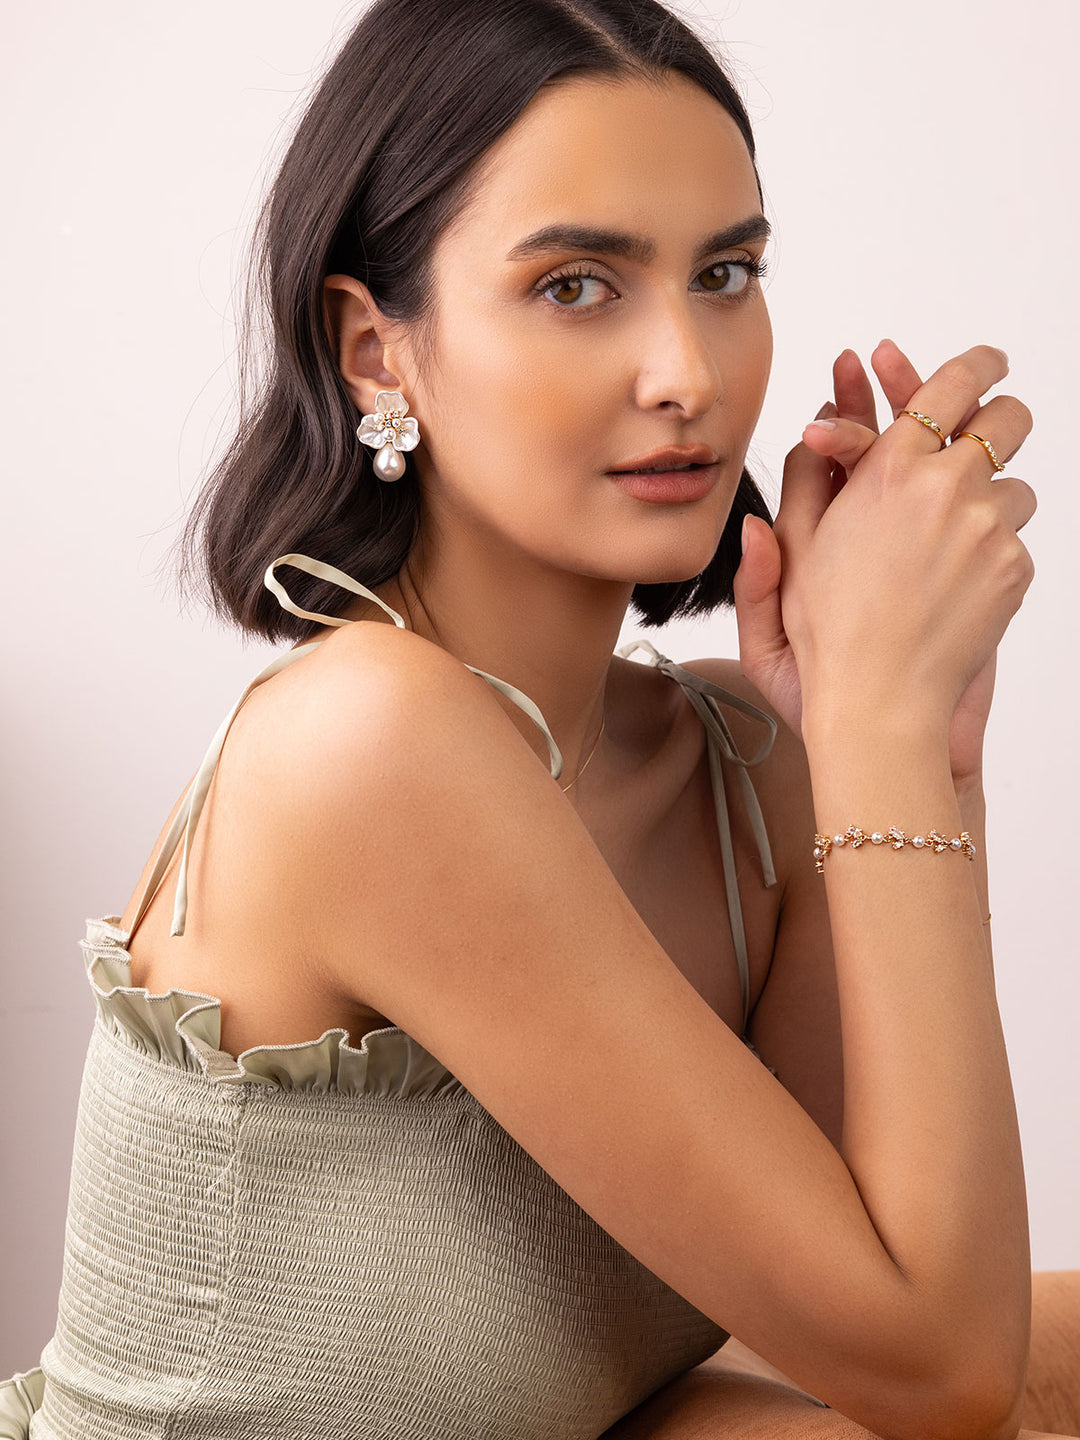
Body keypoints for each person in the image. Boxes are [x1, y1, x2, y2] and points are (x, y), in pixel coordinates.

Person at [1, 0, 1076, 1436]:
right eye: (577, 285)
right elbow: (938, 1370)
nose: (689, 375)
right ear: (376, 352)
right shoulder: (369, 741)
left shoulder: (740, 763)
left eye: (726, 273)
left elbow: (904, 1316)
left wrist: (917, 747)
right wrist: (875, 725)